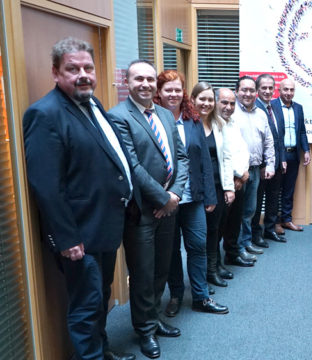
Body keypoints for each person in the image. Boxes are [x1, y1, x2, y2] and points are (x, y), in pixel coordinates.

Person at [23, 37, 136, 360]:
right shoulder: (44, 114)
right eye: (73, 69)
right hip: (79, 236)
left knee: (100, 298)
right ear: (56, 73)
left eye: (88, 67)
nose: (83, 74)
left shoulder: (92, 104)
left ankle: (101, 351)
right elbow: (46, 185)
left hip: (103, 227)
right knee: (86, 306)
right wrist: (67, 237)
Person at [110, 59, 189, 359]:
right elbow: (133, 167)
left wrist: (175, 195)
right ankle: (144, 331)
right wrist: (162, 199)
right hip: (142, 211)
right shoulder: (118, 117)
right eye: (137, 79)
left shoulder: (167, 116)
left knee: (161, 269)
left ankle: (153, 319)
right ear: (126, 83)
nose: (144, 84)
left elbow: (181, 159)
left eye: (149, 79)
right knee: (142, 274)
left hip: (168, 207)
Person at [156, 71, 228, 317]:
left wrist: (210, 196)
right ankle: (176, 295)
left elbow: (205, 162)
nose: (173, 94)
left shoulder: (192, 120)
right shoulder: (153, 119)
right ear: (160, 92)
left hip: (193, 198)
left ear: (183, 92)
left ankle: (201, 296)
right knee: (172, 250)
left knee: (197, 245)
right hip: (165, 200)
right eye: (168, 90)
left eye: (178, 90)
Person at [190, 83, 241, 285]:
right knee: (198, 236)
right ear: (193, 99)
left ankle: (213, 269)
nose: (206, 103)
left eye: (210, 99)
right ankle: (203, 274)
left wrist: (228, 187)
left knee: (215, 230)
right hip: (196, 188)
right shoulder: (188, 123)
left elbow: (227, 157)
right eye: (202, 99)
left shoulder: (218, 123)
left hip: (217, 185)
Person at [233, 76, 277, 259]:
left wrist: (271, 164)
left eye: (251, 90)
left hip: (255, 169)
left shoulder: (261, 114)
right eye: (244, 90)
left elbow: (268, 141)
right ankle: (235, 248)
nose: (248, 93)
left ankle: (245, 243)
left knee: (250, 210)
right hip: (237, 172)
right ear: (237, 91)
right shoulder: (231, 112)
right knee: (236, 212)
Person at [215, 87, 254, 268]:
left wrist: (244, 173)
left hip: (240, 181)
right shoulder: (213, 125)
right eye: (224, 102)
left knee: (234, 223)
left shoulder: (233, 122)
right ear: (215, 102)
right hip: (226, 184)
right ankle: (215, 265)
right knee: (219, 226)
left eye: (231, 103)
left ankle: (232, 254)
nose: (229, 107)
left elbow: (242, 150)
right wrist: (236, 177)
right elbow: (224, 157)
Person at [252, 74, 287, 245]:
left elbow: (279, 136)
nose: (267, 91)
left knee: (274, 197)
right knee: (257, 201)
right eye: (263, 88)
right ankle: (255, 234)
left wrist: (282, 159)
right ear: (257, 89)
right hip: (261, 165)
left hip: (276, 163)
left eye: (270, 88)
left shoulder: (275, 107)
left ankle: (270, 229)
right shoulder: (254, 108)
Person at [272, 78, 310, 231]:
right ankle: (273, 222)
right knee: (274, 190)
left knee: (289, 190)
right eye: (285, 89)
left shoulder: (298, 108)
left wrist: (306, 150)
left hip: (293, 155)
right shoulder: (272, 106)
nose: (288, 93)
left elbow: (302, 131)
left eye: (291, 90)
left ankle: (287, 219)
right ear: (279, 90)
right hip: (277, 156)